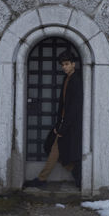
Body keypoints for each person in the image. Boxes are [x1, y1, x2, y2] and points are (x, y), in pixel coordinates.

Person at [24, 50, 83, 189]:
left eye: (67, 64)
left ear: (73, 64)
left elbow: (74, 107)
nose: (64, 67)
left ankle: (42, 179)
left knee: (55, 149)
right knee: (54, 148)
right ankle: (77, 174)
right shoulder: (67, 78)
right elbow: (63, 104)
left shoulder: (76, 80)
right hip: (63, 122)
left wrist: (63, 127)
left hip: (71, 125)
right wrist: (59, 123)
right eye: (63, 65)